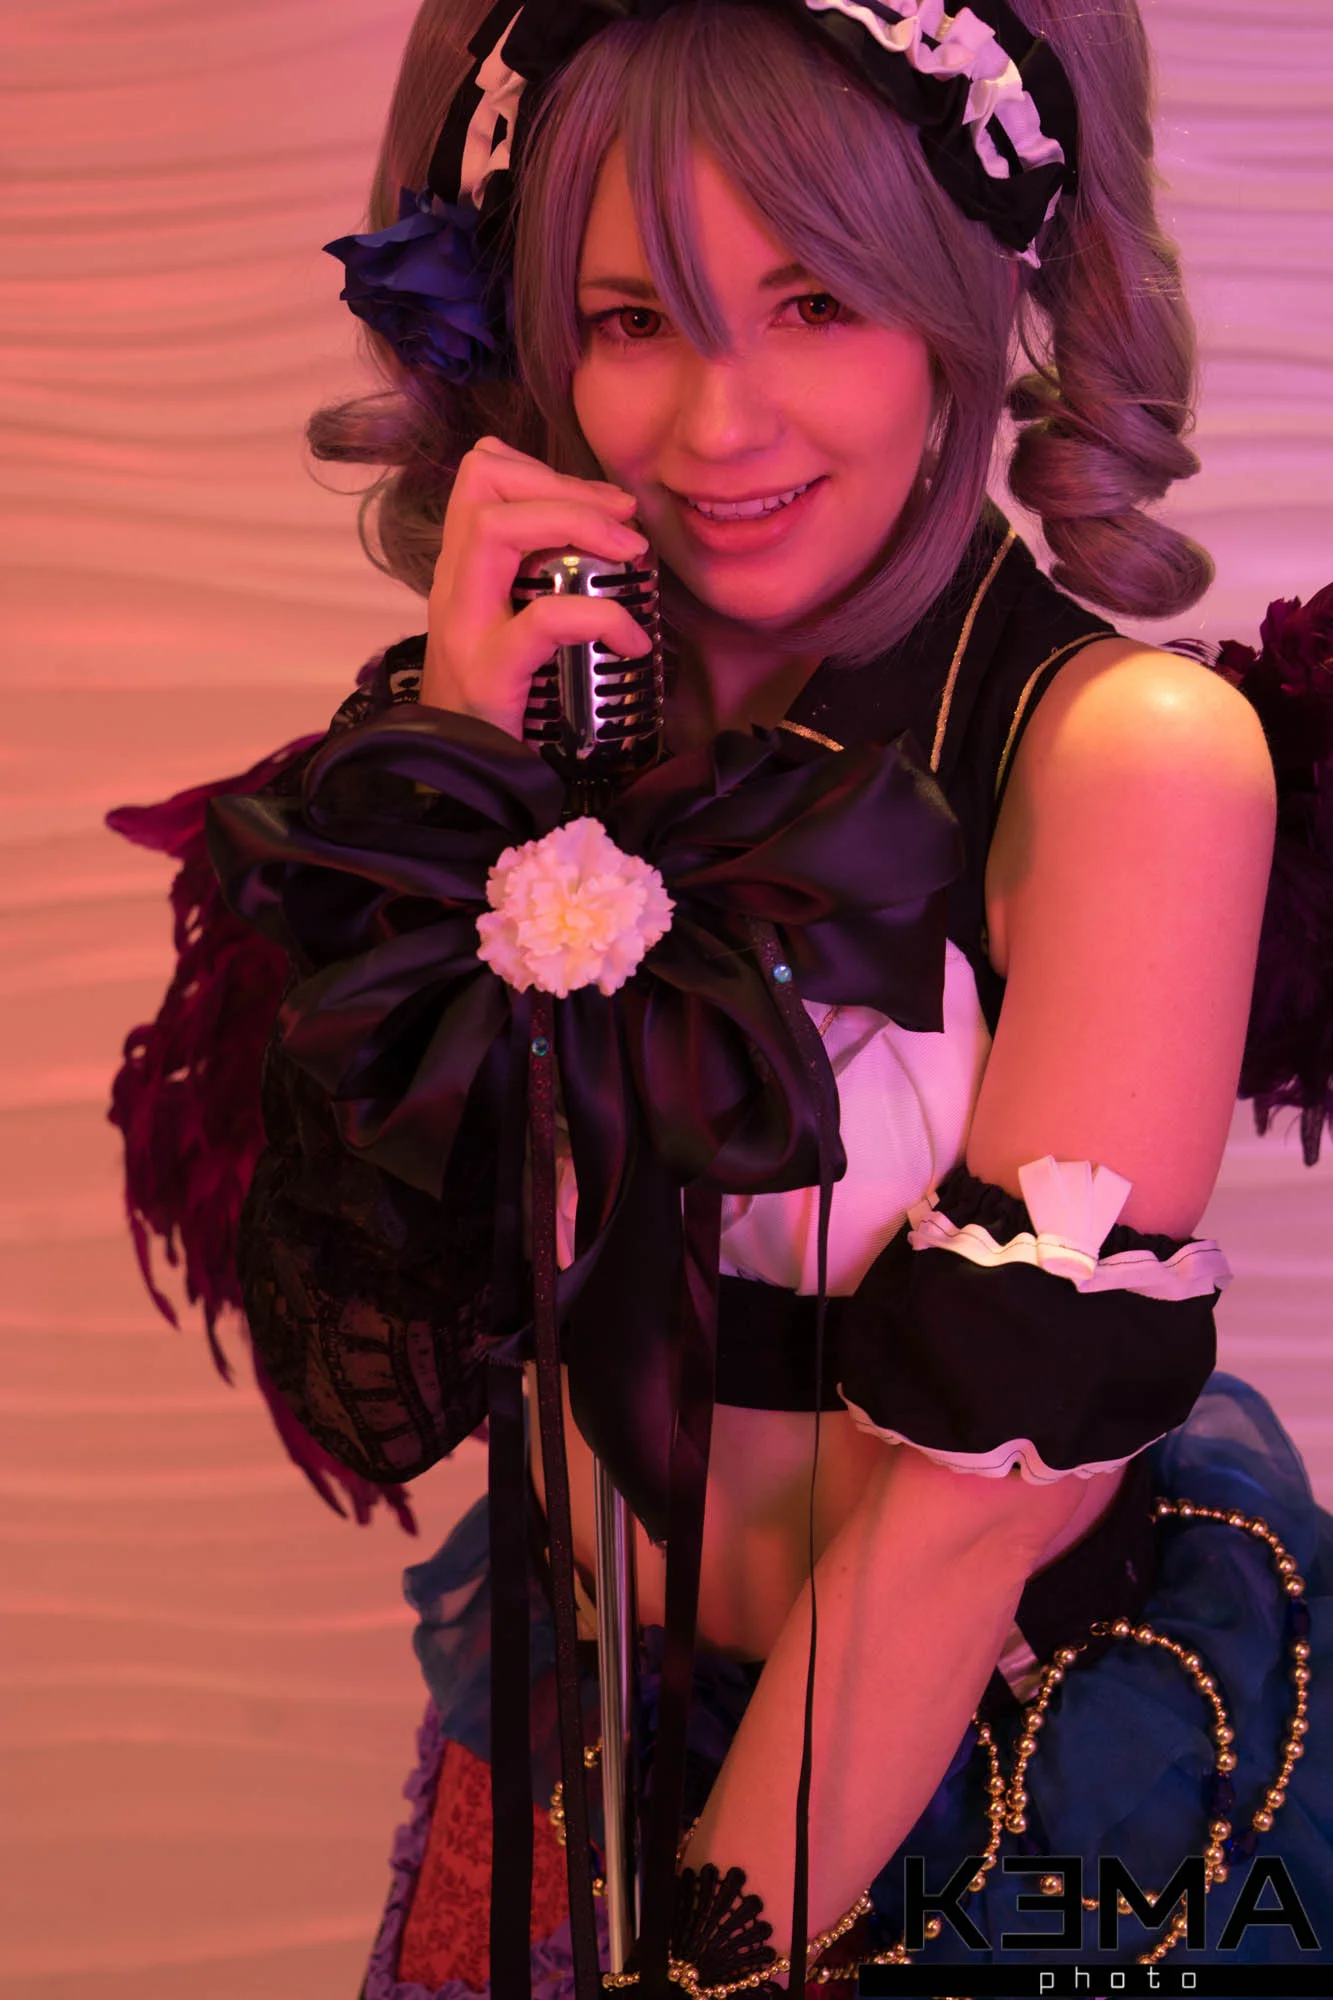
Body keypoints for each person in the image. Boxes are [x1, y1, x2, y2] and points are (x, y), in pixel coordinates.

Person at [110, 0, 1333, 1993]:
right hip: (578, 1738)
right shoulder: (483, 730)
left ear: (962, 308)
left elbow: (971, 1515)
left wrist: (705, 1965)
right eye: (632, 320)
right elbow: (379, 1395)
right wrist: (458, 791)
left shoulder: (1131, 759)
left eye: (817, 302)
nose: (719, 426)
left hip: (977, 1780)